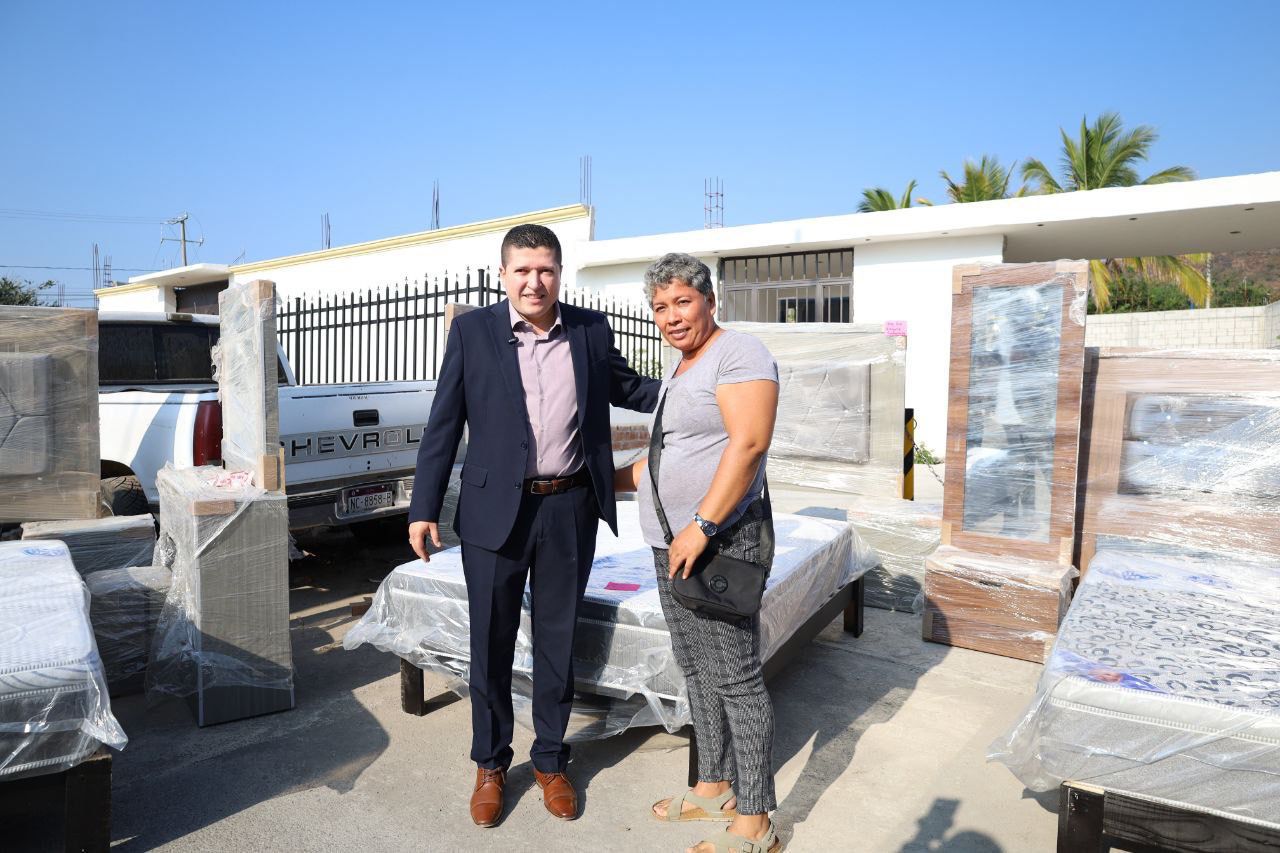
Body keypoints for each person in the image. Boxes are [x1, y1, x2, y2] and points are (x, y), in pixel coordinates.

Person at [408, 224, 661, 828]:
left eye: (545, 269)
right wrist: (422, 507)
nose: (534, 281)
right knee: (490, 643)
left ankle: (550, 759)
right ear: (503, 274)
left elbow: (632, 388)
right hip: (495, 514)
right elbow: (444, 424)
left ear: (559, 273)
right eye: (522, 270)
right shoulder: (473, 332)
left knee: (557, 640)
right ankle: (491, 764)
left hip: (568, 508)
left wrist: (706, 383)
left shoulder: (590, 330)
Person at [616, 253, 784, 853]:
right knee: (696, 669)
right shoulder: (680, 369)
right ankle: (713, 786)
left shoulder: (738, 353)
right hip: (673, 545)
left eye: (682, 302)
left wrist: (703, 525)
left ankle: (756, 820)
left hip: (720, 543)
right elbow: (667, 459)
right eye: (660, 307)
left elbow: (749, 444)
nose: (671, 316)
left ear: (710, 301)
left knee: (737, 678)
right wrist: (597, 480)